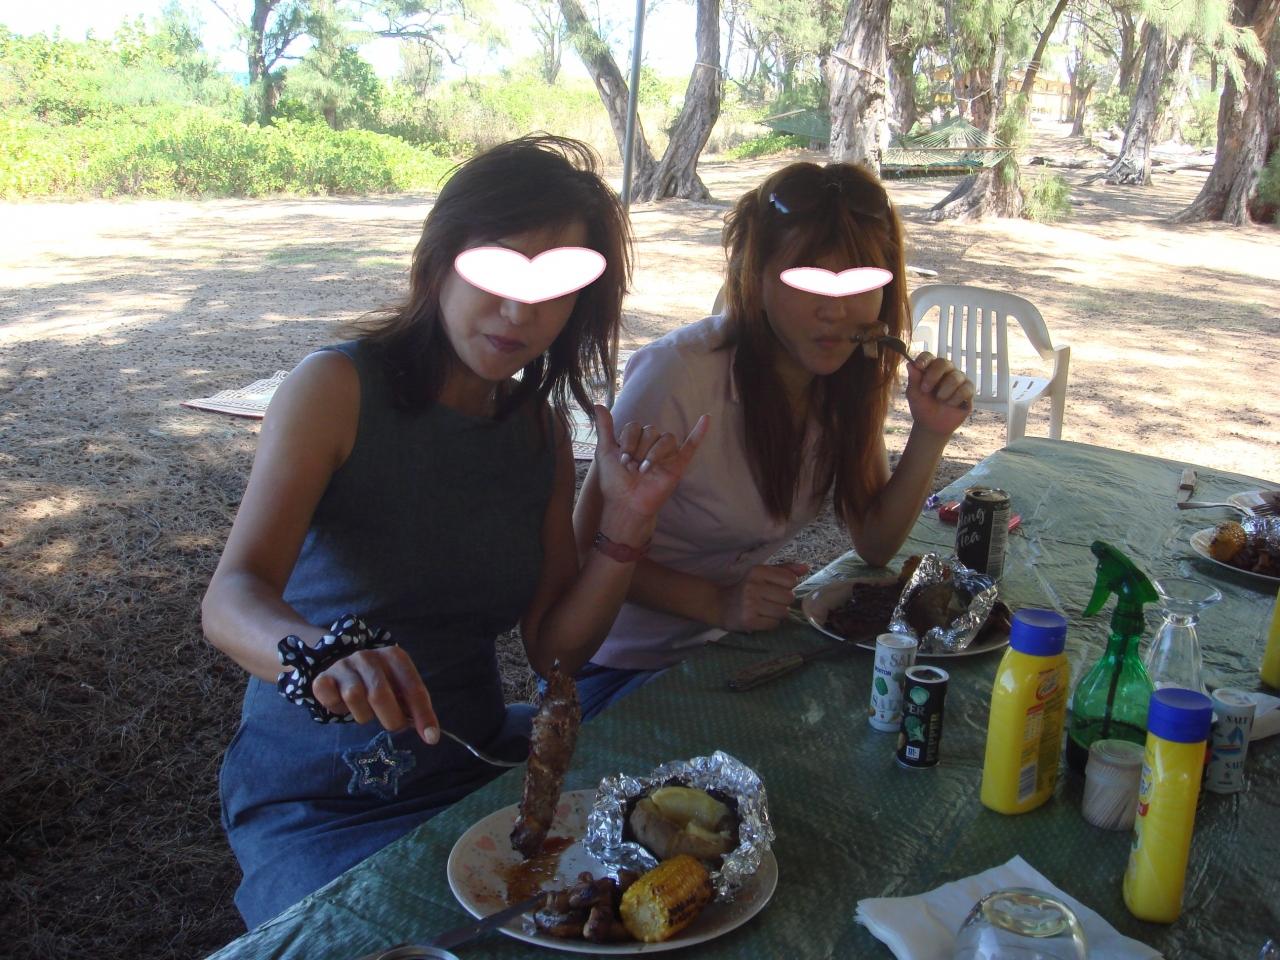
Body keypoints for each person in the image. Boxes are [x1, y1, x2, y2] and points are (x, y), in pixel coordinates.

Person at [201, 135, 707, 929]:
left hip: (474, 766)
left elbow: (556, 653)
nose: (520, 311)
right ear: (440, 259)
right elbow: (231, 599)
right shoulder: (335, 389)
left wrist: (627, 526)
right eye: (497, 270)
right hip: (321, 793)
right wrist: (322, 653)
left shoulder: (539, 432)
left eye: (554, 287)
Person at [571, 160, 975, 719]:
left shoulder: (846, 379)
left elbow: (876, 544)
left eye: (860, 282)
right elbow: (584, 547)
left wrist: (930, 433)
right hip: (617, 667)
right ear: (755, 276)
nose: (835, 309)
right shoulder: (676, 377)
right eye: (806, 279)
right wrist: (718, 602)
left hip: (733, 649)